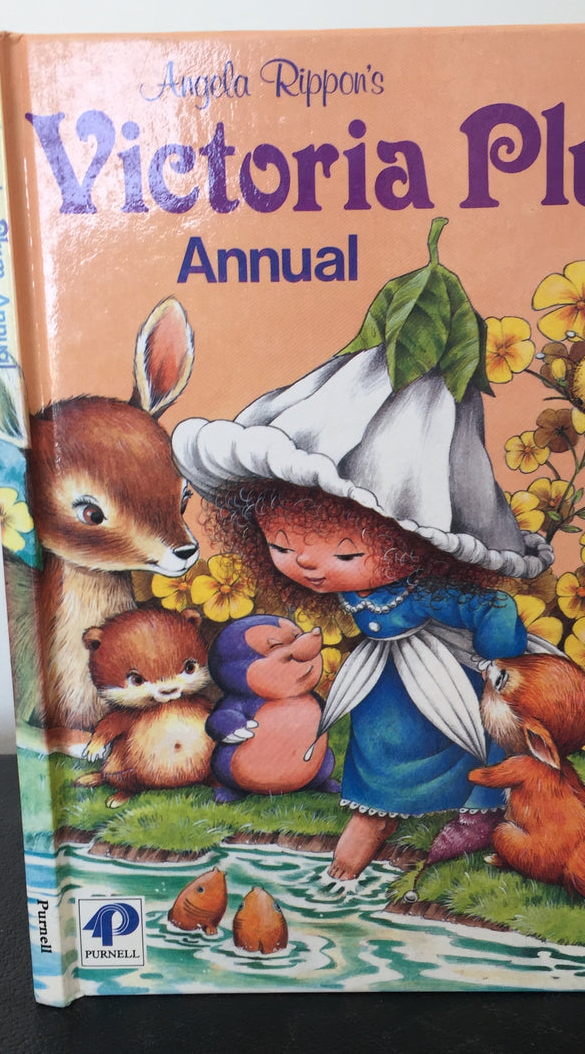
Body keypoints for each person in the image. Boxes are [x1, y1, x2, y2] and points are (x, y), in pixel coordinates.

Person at [174, 337, 557, 881]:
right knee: (378, 754)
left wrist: (502, 670)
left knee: (451, 754)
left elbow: (494, 607)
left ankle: (469, 816)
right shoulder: (351, 587)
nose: (308, 566)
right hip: (385, 691)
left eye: (347, 554)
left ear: (416, 543)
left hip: (448, 689)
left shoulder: (430, 591)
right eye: (280, 546)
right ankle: (354, 856)